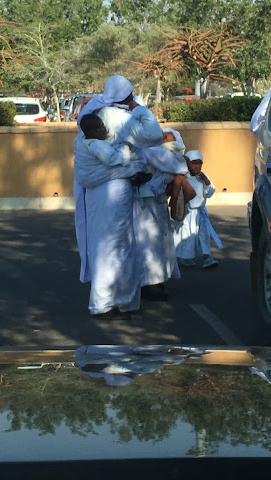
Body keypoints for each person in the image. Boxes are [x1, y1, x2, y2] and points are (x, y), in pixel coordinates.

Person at [73, 75, 163, 317]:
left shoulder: (92, 113)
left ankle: (101, 301)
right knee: (119, 244)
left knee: (98, 242)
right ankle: (122, 300)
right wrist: (139, 109)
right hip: (115, 190)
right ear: (127, 96)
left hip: (93, 192)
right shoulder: (120, 118)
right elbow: (154, 135)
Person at [132, 128, 195, 301]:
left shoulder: (167, 154)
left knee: (160, 243)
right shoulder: (152, 150)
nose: (164, 135)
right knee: (148, 243)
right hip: (146, 204)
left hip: (157, 204)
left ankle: (158, 279)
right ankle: (149, 283)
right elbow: (180, 166)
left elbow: (181, 167)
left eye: (169, 135)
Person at [172, 150, 223, 268]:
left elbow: (209, 193)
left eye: (199, 164)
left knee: (203, 235)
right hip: (187, 214)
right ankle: (185, 256)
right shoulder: (183, 178)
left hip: (200, 213)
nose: (197, 166)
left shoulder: (203, 178)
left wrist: (207, 182)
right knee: (187, 236)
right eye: (193, 163)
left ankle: (207, 258)